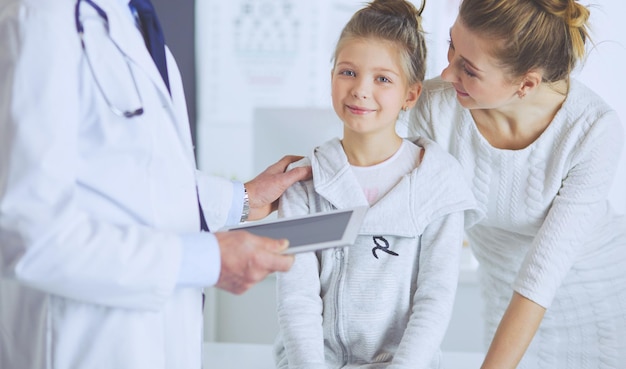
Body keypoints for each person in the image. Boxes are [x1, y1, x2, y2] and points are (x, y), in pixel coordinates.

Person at [0, 0, 311, 368]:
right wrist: (205, 259)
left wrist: (241, 199)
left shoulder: (131, 20)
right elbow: (28, 233)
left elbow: (136, 173)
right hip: (89, 344)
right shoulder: (40, 19)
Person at [408, 0, 626, 368]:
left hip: (599, 303)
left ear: (526, 84)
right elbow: (372, 180)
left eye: (470, 70)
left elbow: (542, 274)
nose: (447, 73)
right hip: (504, 304)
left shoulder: (592, 129)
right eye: (452, 45)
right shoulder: (435, 105)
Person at [273, 1, 479, 368]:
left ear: (411, 95)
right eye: (348, 72)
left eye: (383, 79)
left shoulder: (437, 183)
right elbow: (297, 300)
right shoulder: (304, 183)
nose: (360, 90)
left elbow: (434, 298)